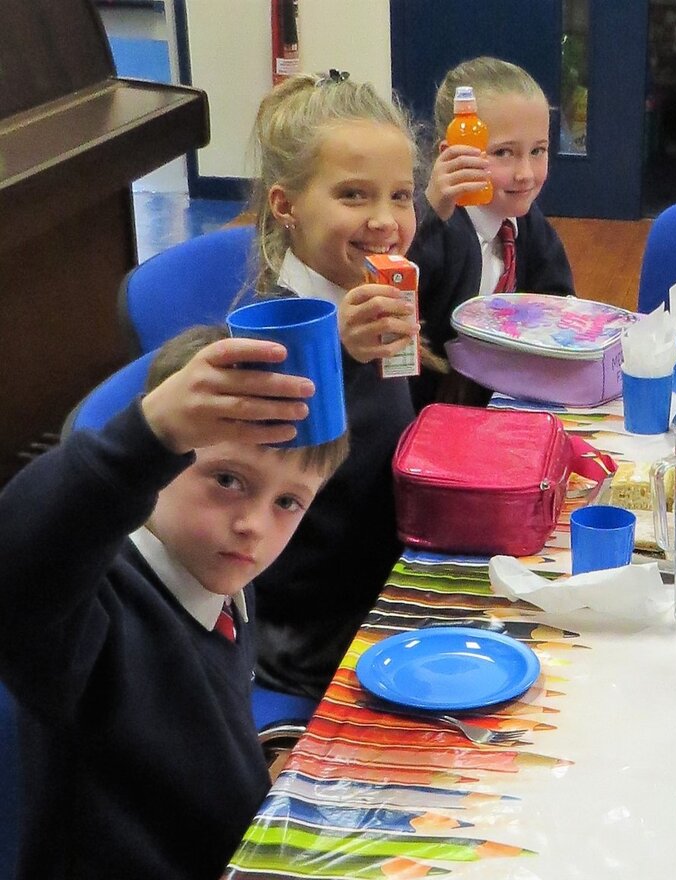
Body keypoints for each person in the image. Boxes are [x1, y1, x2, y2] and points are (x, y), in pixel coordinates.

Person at [0, 327, 348, 880]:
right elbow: (16, 574)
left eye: (288, 501)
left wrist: (260, 782)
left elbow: (193, 744)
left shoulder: (218, 575)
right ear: (162, 465)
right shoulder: (90, 616)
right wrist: (146, 435)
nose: (252, 526)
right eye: (227, 479)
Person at [247, 71, 422, 699]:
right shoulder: (268, 340)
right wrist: (336, 354)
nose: (385, 221)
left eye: (401, 196)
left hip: (394, 590)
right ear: (286, 206)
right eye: (353, 195)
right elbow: (259, 504)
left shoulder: (373, 297)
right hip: (321, 647)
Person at [409, 56, 576, 405]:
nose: (526, 174)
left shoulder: (529, 229)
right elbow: (399, 291)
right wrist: (429, 213)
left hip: (509, 404)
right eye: (503, 153)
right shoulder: (431, 234)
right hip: (429, 415)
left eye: (538, 151)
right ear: (453, 156)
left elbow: (559, 310)